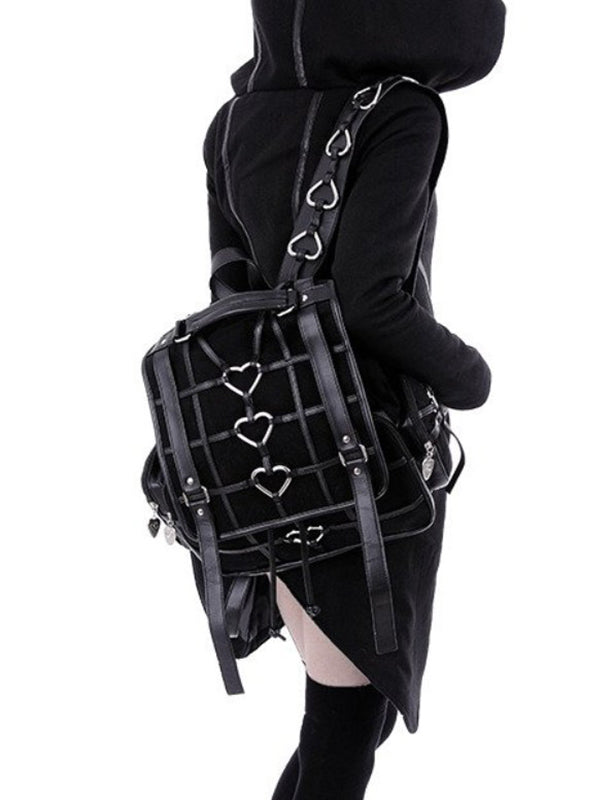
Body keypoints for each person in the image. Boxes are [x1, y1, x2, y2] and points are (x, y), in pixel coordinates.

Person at [200, 2, 506, 797]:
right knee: (343, 734)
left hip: (265, 454)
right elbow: (371, 302)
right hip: (366, 459)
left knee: (345, 724)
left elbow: (231, 300)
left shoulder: (231, 123)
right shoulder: (402, 111)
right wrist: (469, 376)